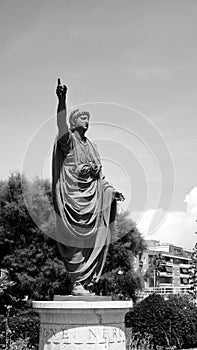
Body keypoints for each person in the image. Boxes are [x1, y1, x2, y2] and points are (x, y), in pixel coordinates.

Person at [52, 79, 125, 295]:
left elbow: (100, 177)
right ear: (74, 123)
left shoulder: (92, 146)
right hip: (72, 200)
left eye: (88, 119)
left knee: (90, 241)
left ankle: (85, 281)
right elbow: (60, 125)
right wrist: (62, 100)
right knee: (74, 240)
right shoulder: (68, 141)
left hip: (91, 201)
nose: (87, 122)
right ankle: (76, 282)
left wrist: (110, 191)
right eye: (83, 118)